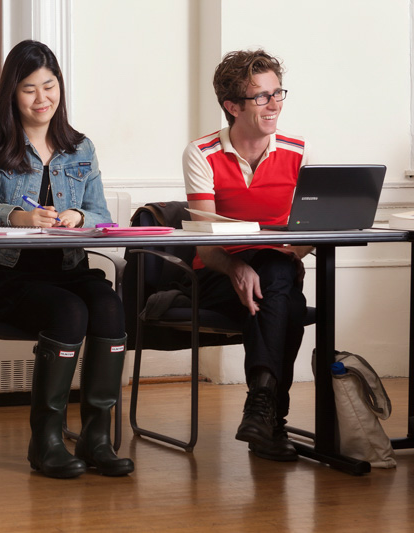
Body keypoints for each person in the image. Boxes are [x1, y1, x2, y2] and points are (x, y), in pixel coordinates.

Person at [0, 40, 133, 479]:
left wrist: (79, 215)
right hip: (7, 276)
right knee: (69, 312)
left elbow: (103, 216)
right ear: (13, 94)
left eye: (49, 86)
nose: (41, 98)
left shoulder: (80, 147)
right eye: (29, 89)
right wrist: (18, 215)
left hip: (67, 268)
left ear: (60, 88)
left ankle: (96, 438)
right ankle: (46, 441)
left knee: (109, 306)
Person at [182, 49, 311, 461]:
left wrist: (300, 247)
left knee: (275, 272)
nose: (274, 105)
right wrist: (236, 266)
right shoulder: (201, 154)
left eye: (278, 94)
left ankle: (261, 408)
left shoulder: (299, 152)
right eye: (261, 97)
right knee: (287, 303)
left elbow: (311, 234)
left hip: (275, 270)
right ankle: (270, 420)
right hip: (217, 274)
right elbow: (204, 245)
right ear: (232, 106)